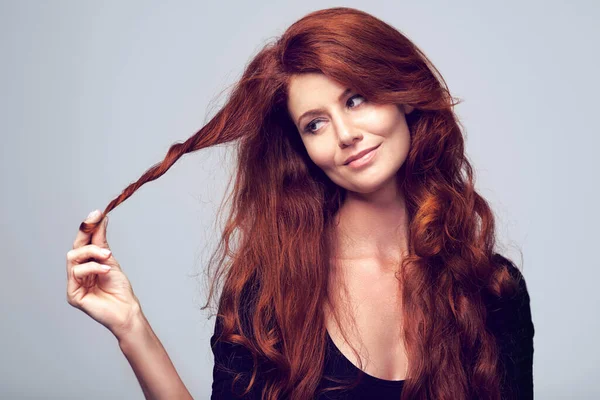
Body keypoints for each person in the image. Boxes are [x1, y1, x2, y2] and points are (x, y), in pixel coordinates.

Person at [65, 6, 534, 400]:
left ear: (401, 96)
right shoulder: (270, 291)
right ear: (301, 147)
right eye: (315, 123)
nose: (346, 135)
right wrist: (131, 327)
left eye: (356, 99)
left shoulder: (490, 286)